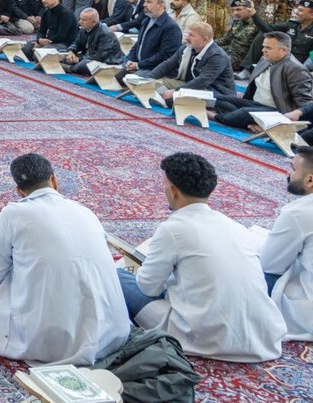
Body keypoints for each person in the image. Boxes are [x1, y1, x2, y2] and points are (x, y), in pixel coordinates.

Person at [0, 154, 129, 366]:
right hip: (112, 333)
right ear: (54, 180)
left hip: (49, 339)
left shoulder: (13, 213)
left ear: (19, 190)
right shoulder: (86, 212)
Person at [118, 153, 285, 362]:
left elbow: (148, 288)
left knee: (118, 276)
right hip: (262, 336)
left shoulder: (173, 228)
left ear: (173, 190)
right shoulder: (234, 226)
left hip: (203, 336)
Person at [262, 146, 313, 340]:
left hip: (306, 310)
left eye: (292, 169)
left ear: (310, 180)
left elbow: (270, 265)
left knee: (246, 268)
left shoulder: (298, 212)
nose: (288, 174)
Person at [213, 32, 312, 129]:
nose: (263, 50)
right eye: (264, 46)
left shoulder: (296, 69)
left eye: (268, 48)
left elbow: (304, 103)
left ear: (283, 50)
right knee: (217, 99)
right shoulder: (265, 59)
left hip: (276, 110)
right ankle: (250, 121)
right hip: (255, 103)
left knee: (244, 113)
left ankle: (216, 117)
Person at [147, 22, 235, 105]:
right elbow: (167, 65)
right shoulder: (187, 48)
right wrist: (147, 79)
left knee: (172, 100)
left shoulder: (216, 56)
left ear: (204, 40)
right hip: (192, 85)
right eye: (188, 34)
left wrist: (176, 91)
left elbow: (203, 80)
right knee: (151, 84)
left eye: (192, 35)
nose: (187, 38)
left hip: (215, 92)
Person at [241, 0, 313, 73]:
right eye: (297, 10)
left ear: (311, 15)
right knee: (265, 34)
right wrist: (253, 13)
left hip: (299, 65)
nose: (296, 13)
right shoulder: (292, 25)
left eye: (300, 11)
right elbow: (268, 28)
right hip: (283, 58)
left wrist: (304, 70)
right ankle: (247, 69)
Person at [122, 0, 182, 76]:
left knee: (129, 79)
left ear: (160, 6)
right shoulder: (146, 21)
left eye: (149, 2)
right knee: (113, 74)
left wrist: (138, 65)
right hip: (140, 66)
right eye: (145, 1)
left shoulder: (170, 27)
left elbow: (165, 56)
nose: (144, 5)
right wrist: (130, 61)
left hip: (155, 70)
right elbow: (138, 44)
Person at [62, 8, 124, 75]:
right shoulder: (83, 29)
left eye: (84, 20)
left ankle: (70, 68)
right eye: (80, 18)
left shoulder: (105, 33)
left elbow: (101, 55)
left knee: (83, 65)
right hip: (88, 56)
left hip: (106, 61)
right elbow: (76, 44)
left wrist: (79, 59)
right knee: (64, 55)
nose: (80, 22)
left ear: (94, 22)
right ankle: (71, 67)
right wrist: (71, 52)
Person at [220, 0, 269, 73]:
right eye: (233, 10)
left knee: (215, 60)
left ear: (249, 9)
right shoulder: (237, 23)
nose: (235, 13)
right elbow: (225, 40)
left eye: (238, 9)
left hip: (240, 59)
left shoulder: (258, 25)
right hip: (228, 51)